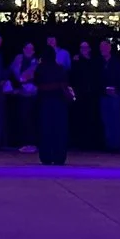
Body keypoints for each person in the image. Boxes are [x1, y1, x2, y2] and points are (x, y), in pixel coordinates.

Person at [34, 36, 72, 166]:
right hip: (59, 103)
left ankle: (46, 156)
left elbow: (37, 83)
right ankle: (59, 156)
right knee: (59, 130)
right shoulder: (60, 68)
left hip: (45, 103)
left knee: (46, 129)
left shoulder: (40, 68)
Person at [70, 39, 103, 152]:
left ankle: (92, 143)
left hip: (93, 94)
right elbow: (73, 78)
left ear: (89, 49)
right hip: (81, 95)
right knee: (81, 118)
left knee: (92, 118)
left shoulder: (94, 61)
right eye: (81, 48)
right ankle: (81, 143)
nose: (84, 50)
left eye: (85, 47)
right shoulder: (77, 62)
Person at [98, 36, 120, 153]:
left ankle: (116, 144)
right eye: (101, 47)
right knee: (106, 120)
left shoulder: (116, 62)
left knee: (115, 120)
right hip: (104, 95)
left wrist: (119, 90)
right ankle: (109, 144)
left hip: (115, 95)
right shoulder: (99, 63)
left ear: (109, 48)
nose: (103, 49)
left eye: (105, 47)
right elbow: (96, 79)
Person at [9, 40, 38, 152]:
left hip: (33, 94)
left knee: (31, 119)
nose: (29, 50)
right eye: (27, 48)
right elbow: (12, 73)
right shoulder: (18, 59)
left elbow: (38, 76)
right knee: (22, 118)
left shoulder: (36, 62)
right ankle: (23, 143)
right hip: (21, 93)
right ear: (23, 49)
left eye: (31, 48)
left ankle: (32, 143)